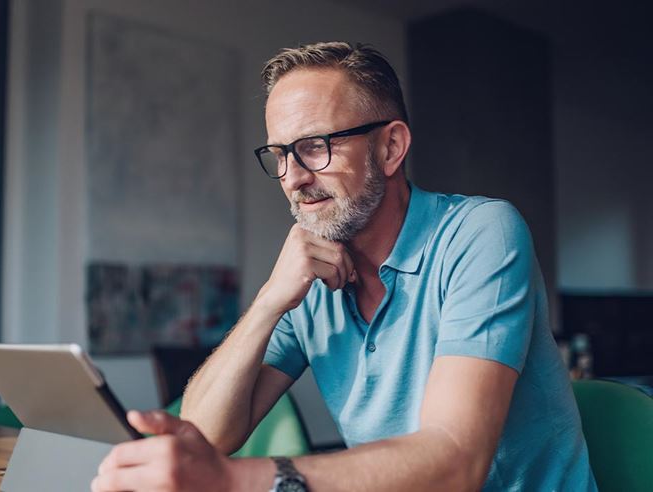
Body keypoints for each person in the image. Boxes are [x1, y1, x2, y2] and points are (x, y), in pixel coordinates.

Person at [92, 42, 597, 491]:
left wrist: (234, 481)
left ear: (391, 146)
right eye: (279, 155)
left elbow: (455, 462)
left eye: (315, 146)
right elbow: (206, 434)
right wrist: (271, 299)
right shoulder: (308, 277)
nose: (293, 177)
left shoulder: (481, 232)